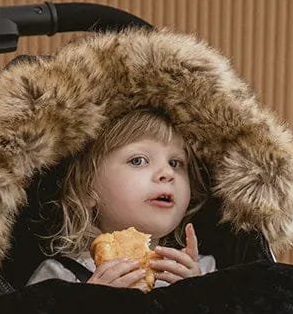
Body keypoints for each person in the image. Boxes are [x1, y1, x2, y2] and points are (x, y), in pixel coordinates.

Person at [27, 109, 217, 289]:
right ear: (87, 189)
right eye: (138, 160)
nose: (167, 173)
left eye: (175, 163)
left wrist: (195, 294)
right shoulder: (61, 276)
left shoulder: (204, 271)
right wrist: (87, 300)